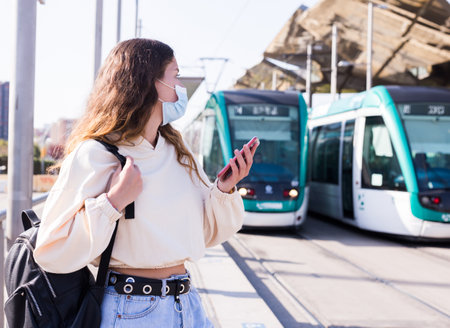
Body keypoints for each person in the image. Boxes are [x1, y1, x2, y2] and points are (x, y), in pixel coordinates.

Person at [34, 38, 258, 328]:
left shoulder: (177, 151)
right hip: (131, 309)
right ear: (148, 83)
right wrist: (113, 202)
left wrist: (224, 190)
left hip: (188, 305)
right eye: (175, 76)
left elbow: (204, 234)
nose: (181, 87)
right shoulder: (97, 154)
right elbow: (51, 251)